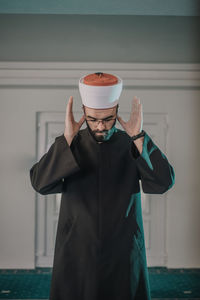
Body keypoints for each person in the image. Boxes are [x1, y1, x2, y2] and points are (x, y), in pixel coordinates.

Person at [30, 72, 175, 300]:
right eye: (93, 119)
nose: (100, 125)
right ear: (83, 114)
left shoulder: (132, 143)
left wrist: (138, 135)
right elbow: (40, 183)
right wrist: (66, 138)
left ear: (117, 113)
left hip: (123, 246)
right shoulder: (71, 145)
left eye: (108, 119)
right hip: (77, 246)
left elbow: (163, 182)